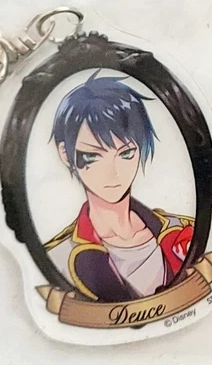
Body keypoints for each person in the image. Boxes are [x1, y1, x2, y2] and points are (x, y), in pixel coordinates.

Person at [44, 72, 194, 303]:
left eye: (126, 153)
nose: (113, 173)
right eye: (94, 156)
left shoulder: (182, 229)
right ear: (65, 154)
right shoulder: (58, 258)